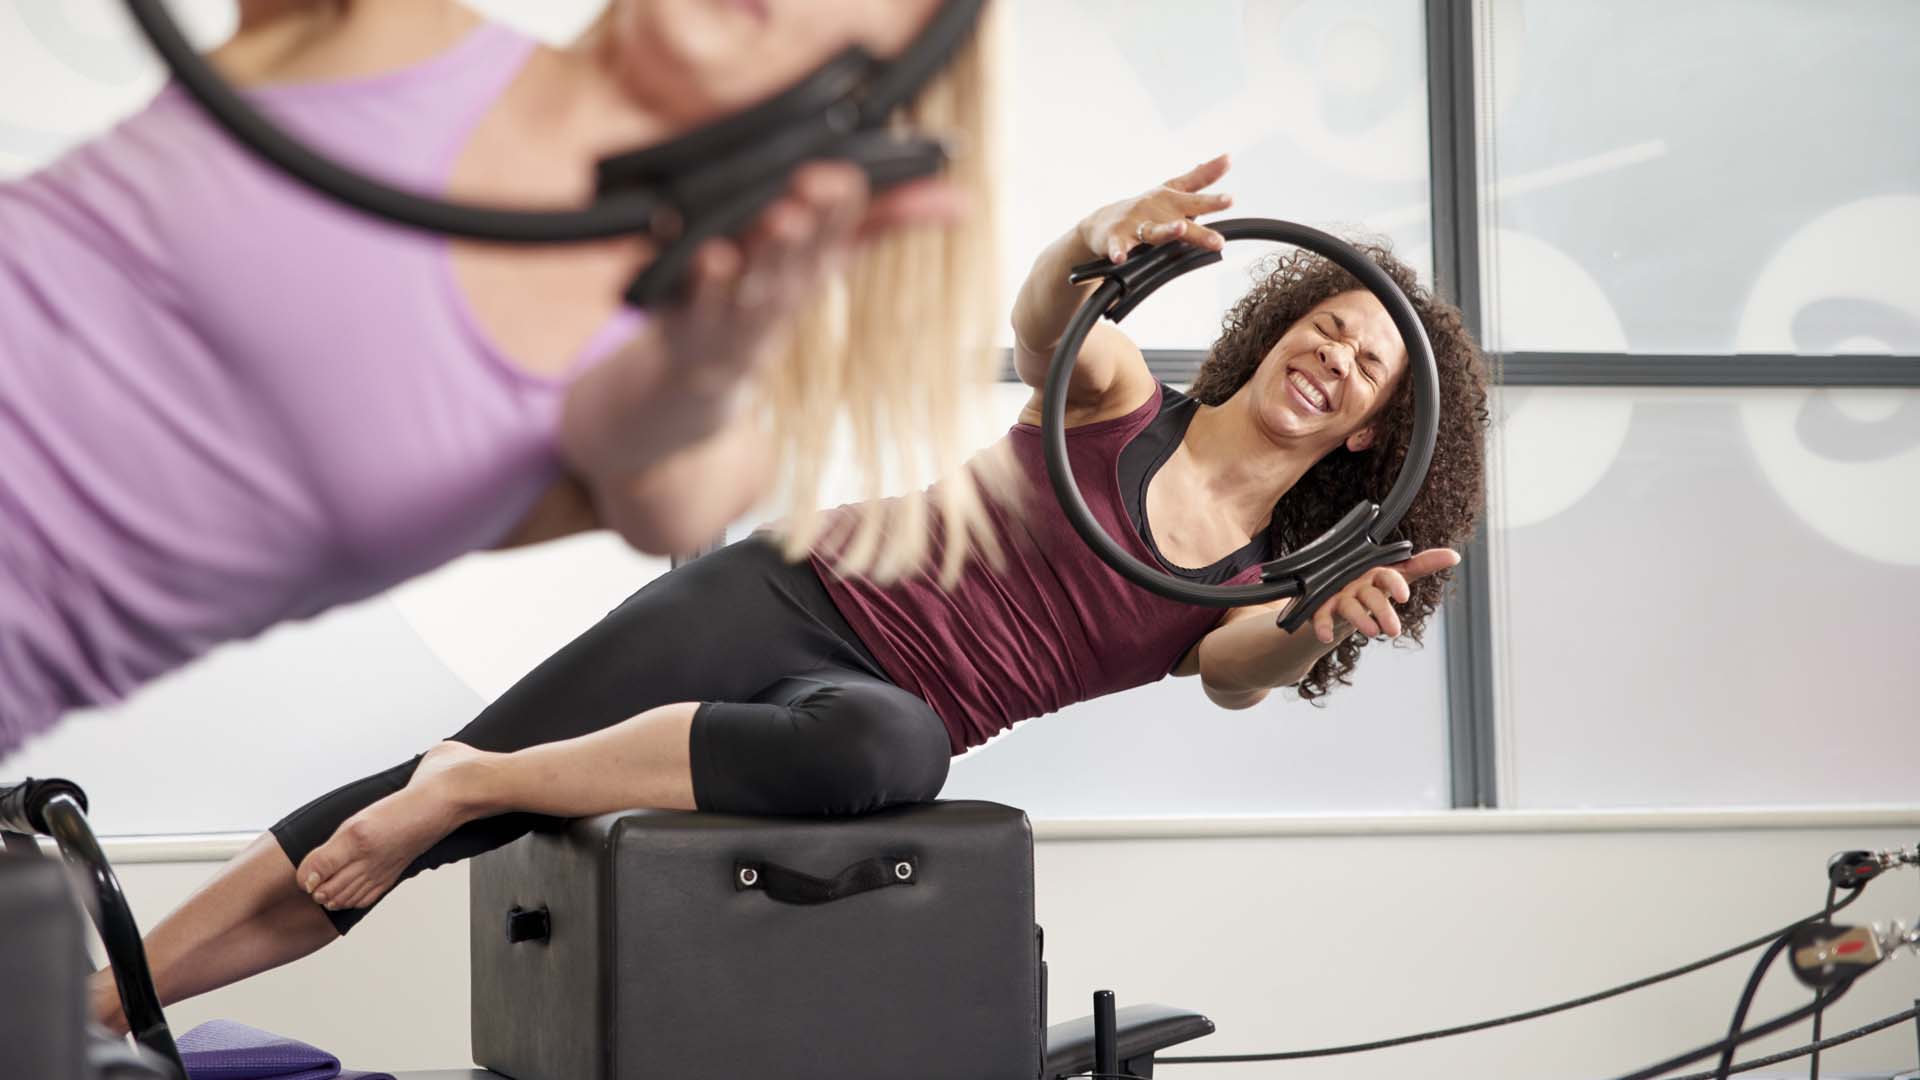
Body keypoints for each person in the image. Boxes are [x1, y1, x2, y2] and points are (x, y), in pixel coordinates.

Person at [89, 155, 1490, 1032]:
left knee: (901, 748)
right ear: (1282, 327)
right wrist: (1090, 241)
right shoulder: (1121, 400)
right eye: (1331, 328)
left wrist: (1320, 622)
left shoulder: (1260, 584)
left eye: (1368, 368)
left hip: (872, 712)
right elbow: (1048, 322)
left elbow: (1243, 671)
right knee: (396, 821)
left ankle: (478, 781)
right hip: (795, 591)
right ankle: (102, 1005)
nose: (1337, 360)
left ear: (1373, 431)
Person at [0, 0, 1002, 755]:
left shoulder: (703, 415)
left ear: (902, 64)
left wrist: (689, 380)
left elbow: (663, 479)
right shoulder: (383, 24)